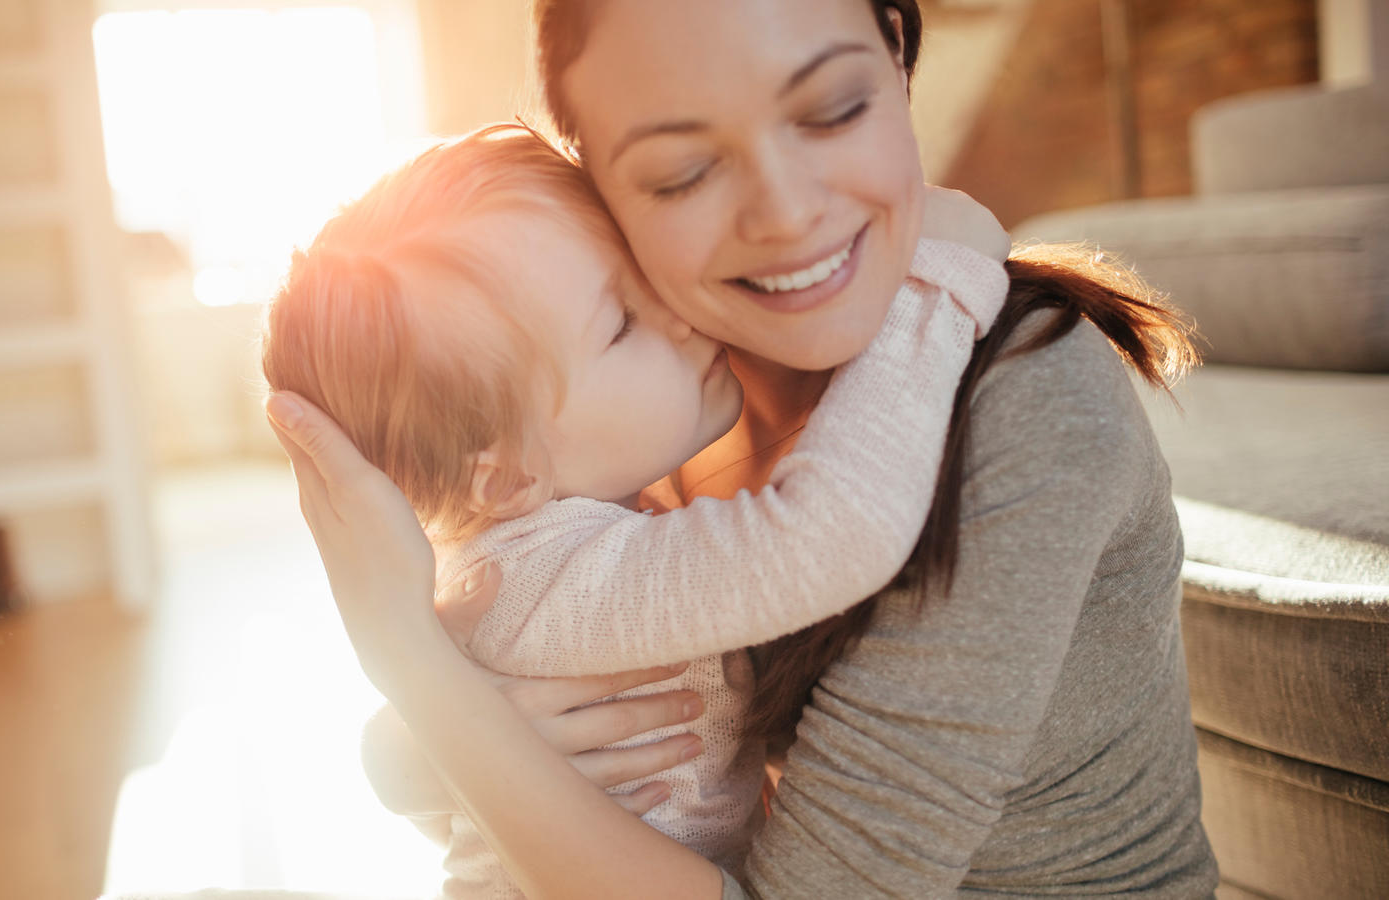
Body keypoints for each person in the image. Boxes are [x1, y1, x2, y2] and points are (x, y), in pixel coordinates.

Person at [265, 0, 1219, 895]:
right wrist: (419, 724)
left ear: (898, 57)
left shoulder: (1030, 406)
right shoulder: (659, 405)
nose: (785, 213)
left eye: (834, 109)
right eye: (684, 171)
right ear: (599, 184)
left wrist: (434, 699)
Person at [263, 122, 1009, 897]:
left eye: (638, 277)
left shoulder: (545, 546)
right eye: (621, 324)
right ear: (507, 477)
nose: (678, 315)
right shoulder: (549, 581)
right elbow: (826, 537)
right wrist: (930, 286)